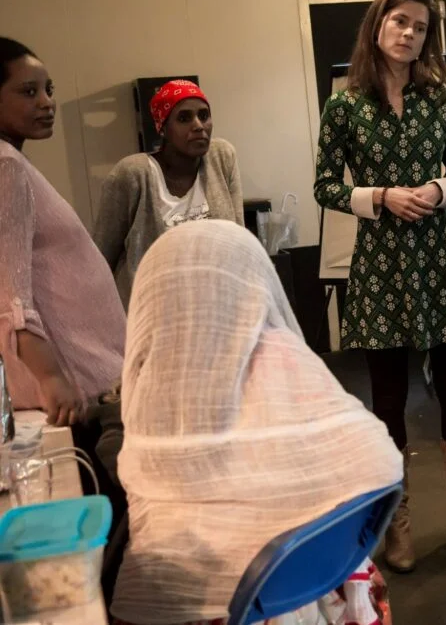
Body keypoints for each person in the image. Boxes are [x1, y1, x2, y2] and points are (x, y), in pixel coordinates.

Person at [109, 220, 402, 625]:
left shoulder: (160, 380)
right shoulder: (288, 356)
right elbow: (379, 463)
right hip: (324, 580)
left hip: (218, 606)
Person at [314, 0, 446, 573]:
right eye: (399, 20)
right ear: (377, 25)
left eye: (420, 26)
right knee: (387, 399)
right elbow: (324, 186)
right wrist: (380, 196)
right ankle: (398, 523)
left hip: (438, 257)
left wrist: (439, 190)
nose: (409, 33)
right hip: (379, 262)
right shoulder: (345, 105)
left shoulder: (441, 99)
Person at [0, 36, 125, 490]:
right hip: (71, 385)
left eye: (49, 89)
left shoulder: (12, 161)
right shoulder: (5, 166)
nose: (47, 102)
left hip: (77, 377)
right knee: (108, 510)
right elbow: (11, 293)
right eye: (28, 92)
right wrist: (52, 376)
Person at [93, 79, 244, 308]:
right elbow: (101, 257)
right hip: (154, 313)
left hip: (217, 306)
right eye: (184, 118)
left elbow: (239, 239)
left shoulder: (221, 157)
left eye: (204, 115)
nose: (198, 126)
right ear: (162, 127)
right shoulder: (133, 174)